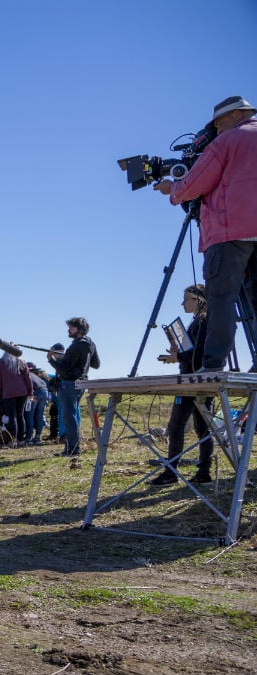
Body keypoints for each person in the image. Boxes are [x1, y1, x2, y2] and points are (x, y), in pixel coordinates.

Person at [154, 96, 257, 372]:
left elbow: (193, 185)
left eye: (219, 124)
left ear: (236, 115)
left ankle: (212, 365)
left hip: (228, 232)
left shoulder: (227, 141)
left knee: (221, 299)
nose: (217, 130)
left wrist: (172, 190)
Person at [152, 284, 216, 486]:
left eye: (187, 298)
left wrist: (177, 356)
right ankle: (203, 472)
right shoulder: (199, 322)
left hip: (192, 380)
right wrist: (178, 351)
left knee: (177, 426)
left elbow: (198, 350)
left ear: (199, 300)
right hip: (197, 379)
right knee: (202, 428)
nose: (183, 303)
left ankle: (171, 473)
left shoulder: (203, 322)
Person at [47, 317, 99, 457]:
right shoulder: (90, 344)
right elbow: (96, 364)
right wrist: (75, 358)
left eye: (71, 327)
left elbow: (63, 370)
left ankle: (73, 450)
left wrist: (50, 359)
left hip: (69, 383)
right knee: (72, 416)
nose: (68, 330)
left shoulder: (75, 345)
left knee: (68, 417)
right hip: (82, 383)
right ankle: (72, 448)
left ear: (80, 329)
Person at [0, 343, 33, 447]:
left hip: (8, 393)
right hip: (22, 392)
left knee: (12, 417)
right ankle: (21, 440)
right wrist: (30, 392)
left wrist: (0, 391)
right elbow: (28, 378)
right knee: (20, 415)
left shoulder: (1, 362)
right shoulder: (22, 362)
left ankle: (13, 440)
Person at [25, 362, 50, 445]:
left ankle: (29, 438)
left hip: (35, 393)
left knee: (30, 415)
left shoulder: (26, 374)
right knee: (39, 415)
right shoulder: (36, 376)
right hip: (45, 393)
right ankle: (38, 437)